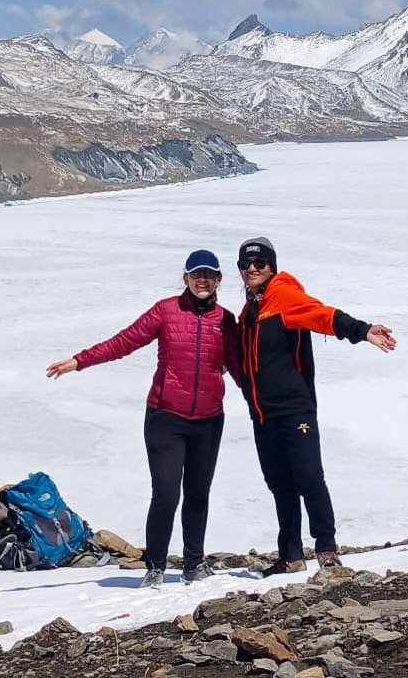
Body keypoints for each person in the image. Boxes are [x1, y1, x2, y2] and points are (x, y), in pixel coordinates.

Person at [46, 249, 241, 588]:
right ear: (185, 278)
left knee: (198, 493)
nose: (202, 280)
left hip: (209, 420)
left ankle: (194, 564)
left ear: (219, 280)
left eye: (209, 274)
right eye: (196, 274)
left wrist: (265, 403)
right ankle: (155, 566)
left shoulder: (225, 320)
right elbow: (125, 341)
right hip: (166, 417)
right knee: (166, 493)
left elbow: (240, 367)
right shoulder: (165, 311)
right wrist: (80, 361)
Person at [233, 236, 396, 575]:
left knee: (309, 478)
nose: (252, 269)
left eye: (259, 263)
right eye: (245, 264)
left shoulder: (284, 297)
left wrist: (363, 331)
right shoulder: (249, 311)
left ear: (271, 266)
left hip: (294, 410)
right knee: (280, 484)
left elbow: (323, 316)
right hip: (262, 414)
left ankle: (327, 551)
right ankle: (290, 555)